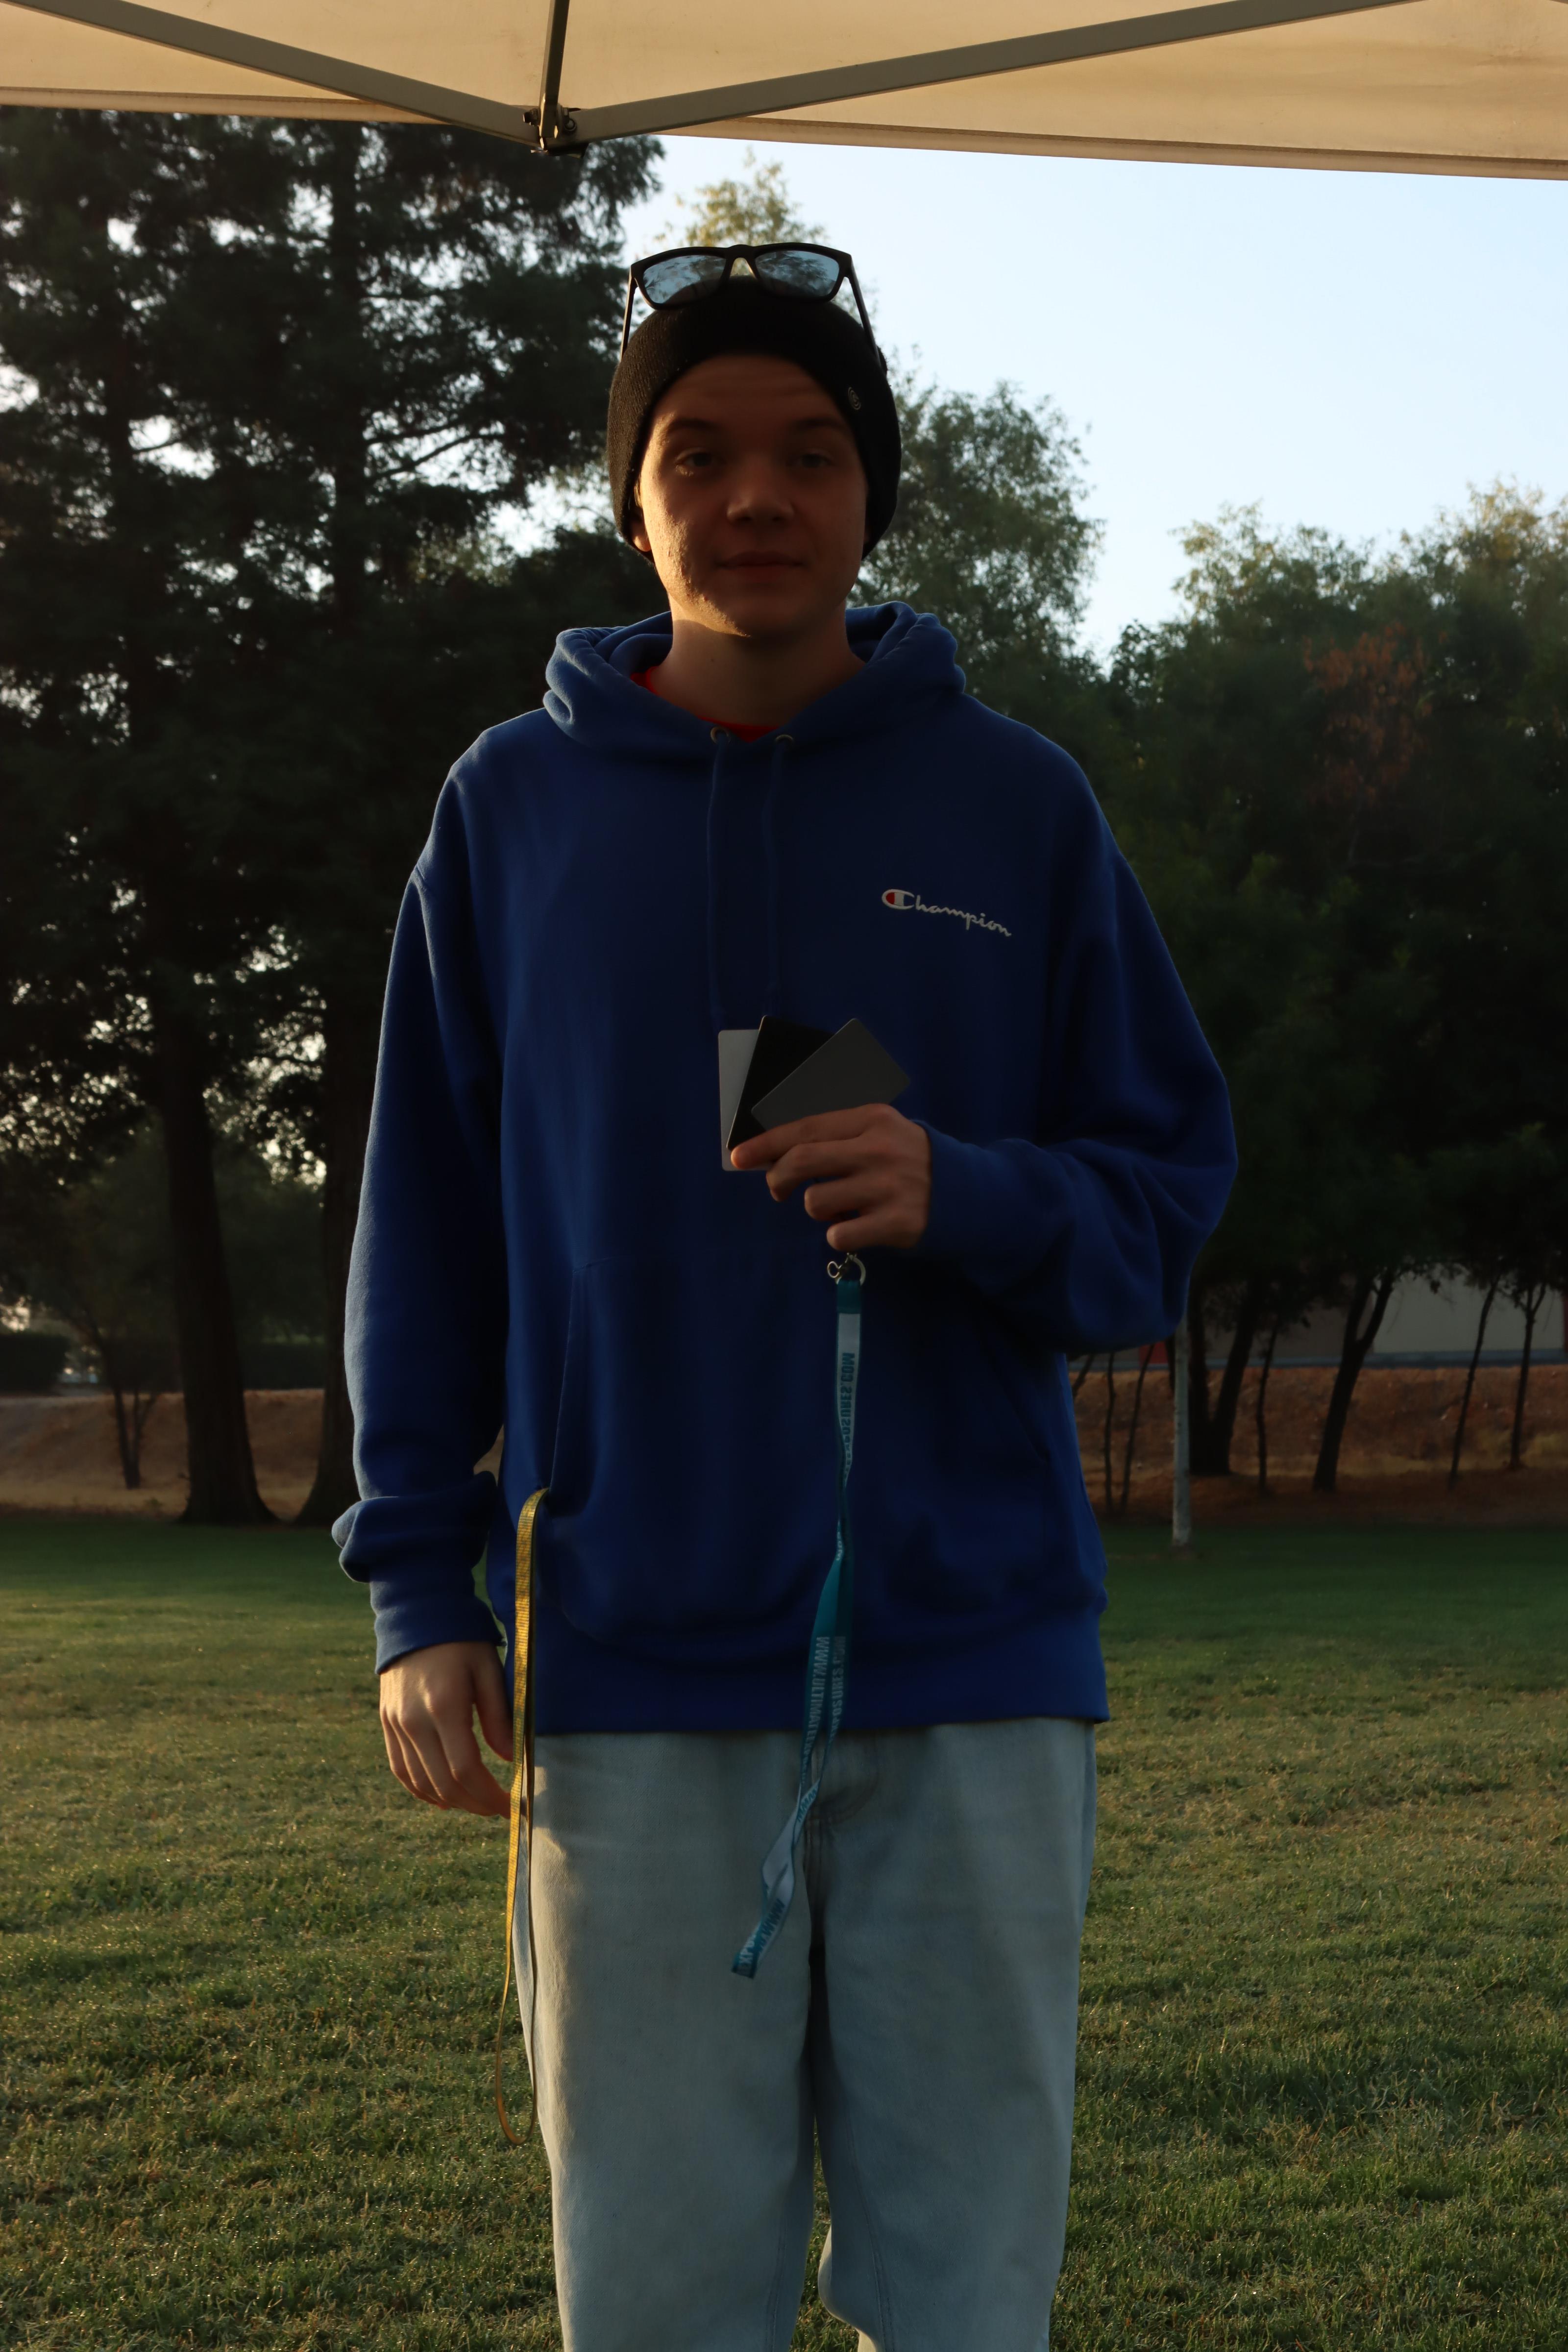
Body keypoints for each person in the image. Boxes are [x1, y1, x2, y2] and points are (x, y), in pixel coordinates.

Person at [335, 242, 1236, 2352]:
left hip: (975, 1659)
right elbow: (424, 1227)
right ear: (632, 492)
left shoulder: (1012, 804)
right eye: (699, 450)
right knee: (657, 2299)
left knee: (968, 2296)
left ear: (871, 491)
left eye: (811, 451)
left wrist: (967, 1190)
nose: (756, 495)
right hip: (628, 1670)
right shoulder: (513, 810)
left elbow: (1161, 1198)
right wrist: (417, 1590)